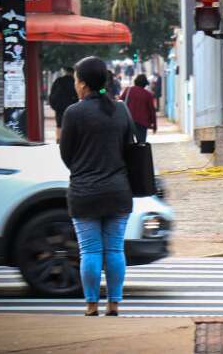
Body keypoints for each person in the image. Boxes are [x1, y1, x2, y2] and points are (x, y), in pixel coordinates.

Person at [59, 56, 135, 317]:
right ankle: (114, 304)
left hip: (84, 192)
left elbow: (66, 154)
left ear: (83, 84)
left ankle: (91, 305)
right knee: (114, 249)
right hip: (118, 190)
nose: (75, 85)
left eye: (76, 80)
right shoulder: (121, 109)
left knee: (90, 250)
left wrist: (83, 169)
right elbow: (130, 148)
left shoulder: (73, 113)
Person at [120, 74, 157, 143]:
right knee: (141, 144)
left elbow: (120, 103)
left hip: (128, 121)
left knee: (128, 143)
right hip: (142, 123)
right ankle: (140, 153)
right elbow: (152, 111)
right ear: (144, 84)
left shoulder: (128, 90)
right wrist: (154, 125)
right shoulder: (148, 95)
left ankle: (131, 153)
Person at [49, 66, 78, 143]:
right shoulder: (74, 81)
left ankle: (58, 139)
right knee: (71, 124)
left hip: (59, 107)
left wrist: (54, 105)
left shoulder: (58, 80)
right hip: (72, 106)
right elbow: (77, 94)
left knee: (59, 124)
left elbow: (52, 94)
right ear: (73, 73)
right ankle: (70, 140)